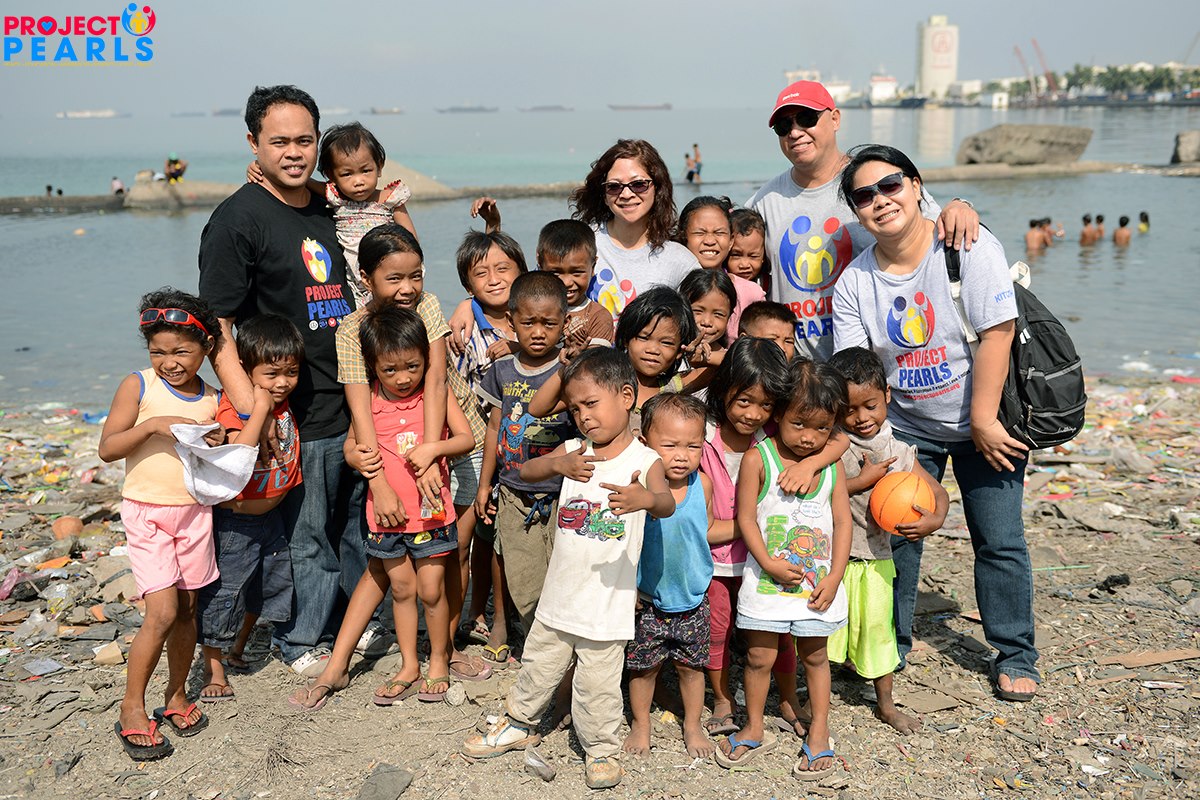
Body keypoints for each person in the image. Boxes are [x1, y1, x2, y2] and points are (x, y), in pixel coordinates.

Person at [831, 144, 1039, 703]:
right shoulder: (855, 283)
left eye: (891, 185)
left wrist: (982, 420)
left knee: (999, 540)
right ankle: (889, 645)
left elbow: (998, 330)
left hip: (986, 421)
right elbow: (855, 371)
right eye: (865, 195)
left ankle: (1015, 652)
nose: (881, 200)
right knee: (896, 534)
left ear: (916, 186)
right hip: (906, 426)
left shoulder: (967, 245)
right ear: (857, 211)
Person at [199, 85, 358, 679]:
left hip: (357, 395)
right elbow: (215, 327)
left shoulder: (329, 204)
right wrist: (253, 411)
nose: (294, 152)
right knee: (305, 534)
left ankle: (350, 622)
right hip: (295, 407)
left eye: (304, 140)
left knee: (355, 525)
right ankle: (299, 640)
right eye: (280, 141)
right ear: (253, 143)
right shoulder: (237, 220)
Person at [462, 347, 674, 790]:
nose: (583, 417)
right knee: (538, 665)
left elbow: (667, 502)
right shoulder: (576, 450)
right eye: (575, 409)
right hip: (559, 598)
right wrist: (558, 464)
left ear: (627, 397)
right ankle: (518, 723)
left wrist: (645, 500)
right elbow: (527, 469)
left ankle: (601, 749)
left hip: (607, 606)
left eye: (591, 404)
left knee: (599, 683)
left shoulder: (644, 461)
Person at [290, 302, 475, 710]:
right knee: (403, 590)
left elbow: (466, 439)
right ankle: (410, 665)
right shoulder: (368, 403)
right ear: (372, 367)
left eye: (412, 366)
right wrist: (353, 456)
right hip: (385, 517)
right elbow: (352, 445)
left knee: (431, 590)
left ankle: (439, 660)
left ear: (425, 358)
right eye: (390, 370)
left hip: (431, 513)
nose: (403, 378)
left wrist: (434, 448)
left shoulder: (435, 396)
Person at [334, 224, 490, 682]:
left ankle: (447, 649)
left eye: (416, 276)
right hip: (393, 454)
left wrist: (430, 456)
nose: (407, 288)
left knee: (453, 553)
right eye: (394, 278)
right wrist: (378, 481)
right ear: (366, 278)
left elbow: (436, 380)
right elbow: (361, 408)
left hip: (453, 434)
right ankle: (376, 660)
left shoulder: (428, 306)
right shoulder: (352, 330)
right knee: (393, 568)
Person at [746, 80, 978, 361]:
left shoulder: (876, 183)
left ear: (835, 119)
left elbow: (937, 230)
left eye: (806, 118)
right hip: (796, 369)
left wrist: (961, 206)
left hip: (877, 363)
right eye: (784, 126)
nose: (795, 132)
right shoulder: (764, 201)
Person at [98, 289, 224, 760]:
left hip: (194, 512)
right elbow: (108, 449)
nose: (169, 363)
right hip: (147, 511)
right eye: (158, 352)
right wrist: (153, 425)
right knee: (163, 611)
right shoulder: (139, 386)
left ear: (206, 347)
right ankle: (131, 706)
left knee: (188, 608)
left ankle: (175, 695)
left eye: (181, 352)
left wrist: (217, 440)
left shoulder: (212, 398)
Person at [720, 359, 851, 780]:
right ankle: (754, 726)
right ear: (778, 413)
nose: (809, 437)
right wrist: (768, 562)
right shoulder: (758, 459)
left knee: (816, 657)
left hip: (817, 588)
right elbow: (745, 518)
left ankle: (819, 729)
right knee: (759, 657)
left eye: (822, 428)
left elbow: (843, 522)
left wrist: (835, 577)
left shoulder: (829, 465)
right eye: (799, 424)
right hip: (765, 582)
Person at [699, 338, 825, 742]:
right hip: (716, 560)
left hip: (768, 561)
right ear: (723, 390)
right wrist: (748, 523)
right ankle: (722, 698)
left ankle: (788, 698)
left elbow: (837, 437)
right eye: (743, 401)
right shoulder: (701, 435)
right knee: (718, 629)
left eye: (766, 404)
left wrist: (813, 462)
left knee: (779, 632)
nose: (753, 414)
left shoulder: (777, 434)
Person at [826, 347, 948, 733]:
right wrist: (861, 481)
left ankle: (886, 704)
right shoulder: (831, 444)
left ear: (888, 396)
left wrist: (935, 518)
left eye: (871, 406)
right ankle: (813, 699)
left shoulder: (897, 450)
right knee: (824, 633)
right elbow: (818, 490)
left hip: (876, 557)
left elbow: (937, 491)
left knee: (879, 630)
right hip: (833, 556)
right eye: (850, 409)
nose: (862, 418)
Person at [197, 314, 304, 702]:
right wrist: (258, 410)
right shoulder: (234, 409)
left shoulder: (284, 403)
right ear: (244, 371)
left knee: (266, 587)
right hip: (236, 523)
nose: (282, 382)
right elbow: (236, 451)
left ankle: (238, 647)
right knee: (225, 593)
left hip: (271, 519)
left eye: (291, 372)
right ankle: (213, 668)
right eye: (271, 374)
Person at [476, 273, 574, 657]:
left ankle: (555, 640)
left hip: (562, 489)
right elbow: (494, 428)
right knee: (511, 558)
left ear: (564, 323)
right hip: (513, 487)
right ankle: (511, 626)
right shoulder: (503, 370)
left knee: (558, 567)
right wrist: (485, 484)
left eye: (549, 323)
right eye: (528, 322)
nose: (538, 332)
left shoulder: (570, 368)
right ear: (511, 320)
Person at [623, 393, 715, 759]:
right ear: (645, 443)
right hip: (649, 601)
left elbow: (704, 530)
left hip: (693, 599)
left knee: (692, 668)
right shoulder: (642, 490)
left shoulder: (702, 485)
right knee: (643, 669)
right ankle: (641, 724)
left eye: (693, 446)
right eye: (670, 445)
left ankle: (692, 724)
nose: (682, 456)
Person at [571, 139, 699, 317]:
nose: (626, 194)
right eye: (614, 187)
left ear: (657, 188)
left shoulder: (680, 261)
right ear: (603, 195)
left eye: (638, 184)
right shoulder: (577, 243)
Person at [675, 196, 765, 339]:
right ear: (683, 237)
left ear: (731, 240)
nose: (710, 241)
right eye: (700, 233)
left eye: (719, 232)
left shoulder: (750, 293)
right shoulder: (673, 286)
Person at [537, 219, 615, 352]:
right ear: (540, 265)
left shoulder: (598, 316)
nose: (566, 282)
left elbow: (598, 362)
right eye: (555, 273)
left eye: (577, 272)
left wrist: (578, 358)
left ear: (593, 266)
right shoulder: (530, 308)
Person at [679, 268, 735, 364]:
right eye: (697, 311)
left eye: (718, 314)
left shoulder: (733, 363)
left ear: (729, 317)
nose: (707, 322)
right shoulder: (668, 352)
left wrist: (707, 359)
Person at [728, 207, 770, 292]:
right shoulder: (720, 283)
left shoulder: (767, 284)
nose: (744, 265)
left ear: (763, 257)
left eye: (753, 256)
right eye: (736, 255)